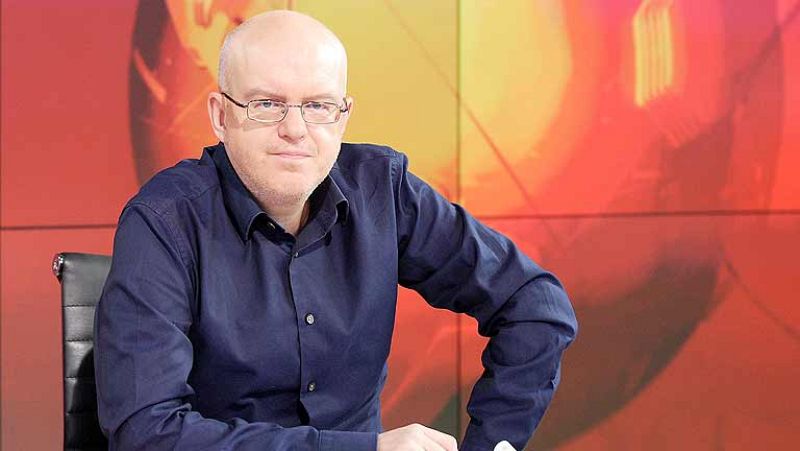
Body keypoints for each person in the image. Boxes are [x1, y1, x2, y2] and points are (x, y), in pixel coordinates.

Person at [94, 10, 577, 451]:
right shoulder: (164, 221)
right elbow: (147, 432)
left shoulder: (383, 189)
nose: (295, 129)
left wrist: (490, 446)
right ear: (221, 116)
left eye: (318, 106)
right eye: (267, 104)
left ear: (343, 117)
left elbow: (535, 305)